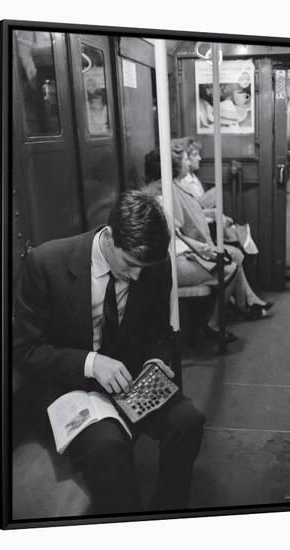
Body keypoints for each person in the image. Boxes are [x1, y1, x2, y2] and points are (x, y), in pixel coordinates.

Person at [13, 190, 205, 514]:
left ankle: (169, 510)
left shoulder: (154, 266)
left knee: (188, 421)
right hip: (70, 383)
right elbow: (25, 350)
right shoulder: (46, 263)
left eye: (144, 267)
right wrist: (91, 363)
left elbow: (158, 329)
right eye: (129, 263)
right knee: (108, 447)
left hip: (131, 377)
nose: (136, 276)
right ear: (110, 235)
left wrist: (156, 360)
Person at [144, 144, 272, 343]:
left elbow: (176, 231)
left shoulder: (161, 194)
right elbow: (176, 225)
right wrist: (200, 249)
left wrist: (199, 248)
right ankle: (215, 323)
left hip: (179, 253)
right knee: (227, 269)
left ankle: (243, 306)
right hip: (167, 264)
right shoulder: (156, 199)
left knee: (228, 259)